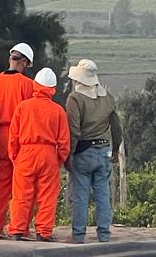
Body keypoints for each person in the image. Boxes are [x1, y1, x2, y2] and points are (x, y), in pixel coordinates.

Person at [65, 58, 123, 243]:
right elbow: (116, 127)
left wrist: (69, 154)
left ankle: (79, 236)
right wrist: (114, 151)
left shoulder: (75, 99)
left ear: (79, 80)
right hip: (104, 151)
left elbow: (74, 130)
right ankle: (104, 234)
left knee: (80, 196)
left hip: (83, 152)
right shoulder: (107, 97)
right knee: (103, 194)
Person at [7, 68, 69, 242]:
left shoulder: (22, 107)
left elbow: (14, 137)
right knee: (47, 196)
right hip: (49, 155)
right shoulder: (58, 111)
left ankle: (17, 230)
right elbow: (64, 141)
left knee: (21, 195)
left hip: (25, 153)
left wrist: (14, 157)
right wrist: (59, 159)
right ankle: (43, 232)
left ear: (35, 84)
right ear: (53, 89)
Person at [0, 42, 35, 238]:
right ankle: (19, 227)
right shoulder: (27, 85)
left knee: (1, 184)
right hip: (21, 137)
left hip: (1, 136)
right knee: (23, 185)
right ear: (24, 62)